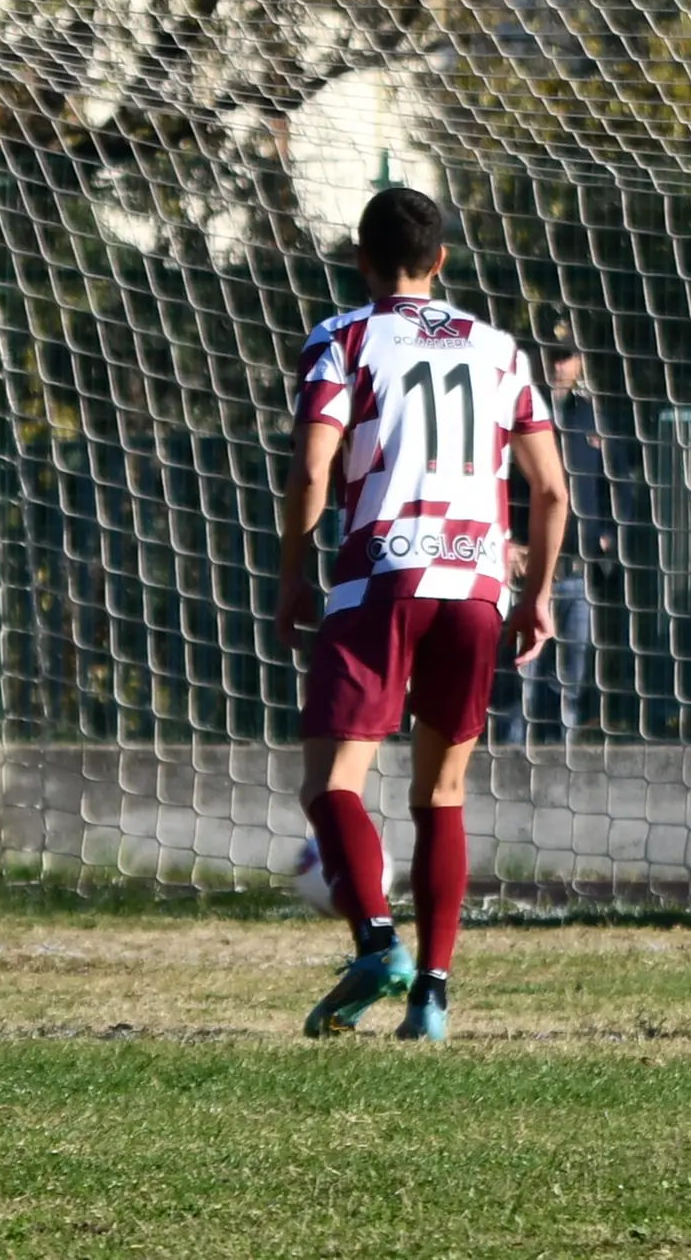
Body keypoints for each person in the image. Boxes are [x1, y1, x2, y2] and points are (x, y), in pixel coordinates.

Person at [276, 187, 569, 1043]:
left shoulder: (341, 339)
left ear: (361, 261)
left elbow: (311, 474)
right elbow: (550, 490)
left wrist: (293, 575)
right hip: (477, 585)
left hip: (380, 580)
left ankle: (375, 940)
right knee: (442, 793)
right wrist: (537, 595)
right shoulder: (498, 348)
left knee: (331, 786)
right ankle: (432, 999)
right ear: (440, 261)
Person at [490, 329, 610, 745]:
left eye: (567, 356)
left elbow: (613, 482)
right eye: (553, 356)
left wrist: (606, 535)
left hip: (575, 567)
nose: (560, 365)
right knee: (520, 674)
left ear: (579, 362)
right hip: (528, 564)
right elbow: (500, 480)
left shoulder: (589, 414)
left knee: (571, 672)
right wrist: (505, 540)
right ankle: (508, 754)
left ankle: (566, 751)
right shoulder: (519, 409)